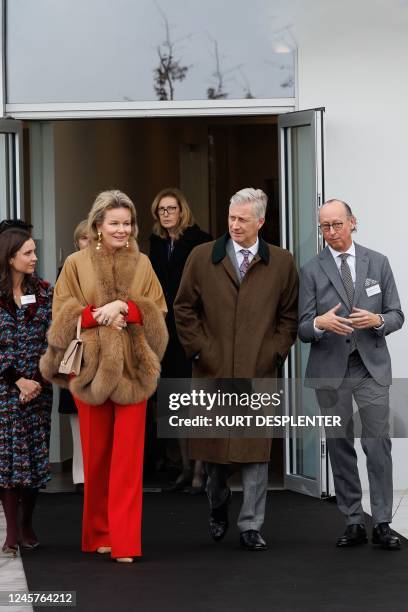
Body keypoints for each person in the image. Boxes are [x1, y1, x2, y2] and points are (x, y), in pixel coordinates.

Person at [40, 190, 168, 562]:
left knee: (128, 463)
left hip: (132, 373)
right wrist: (99, 314)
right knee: (95, 460)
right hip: (90, 373)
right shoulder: (76, 263)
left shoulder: (143, 262)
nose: (122, 229)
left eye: (127, 223)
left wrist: (125, 308)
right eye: (114, 223)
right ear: (98, 225)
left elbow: (158, 310)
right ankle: (98, 534)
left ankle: (125, 541)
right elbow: (62, 316)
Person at [173, 187, 298, 550]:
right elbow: (183, 309)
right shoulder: (201, 257)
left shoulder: (282, 262)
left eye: (243, 219)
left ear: (261, 221)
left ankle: (251, 526)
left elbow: (288, 317)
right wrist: (201, 350)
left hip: (258, 373)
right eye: (231, 218)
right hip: (212, 372)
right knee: (214, 457)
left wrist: (274, 352)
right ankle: (218, 505)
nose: (235, 225)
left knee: (256, 454)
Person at [298, 198, 404, 550]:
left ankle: (384, 522)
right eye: (324, 227)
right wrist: (318, 323)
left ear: (352, 222)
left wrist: (377, 321)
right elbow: (302, 327)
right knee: (340, 446)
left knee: (377, 446)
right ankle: (353, 520)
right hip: (330, 369)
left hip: (369, 367)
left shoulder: (378, 262)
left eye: (336, 225)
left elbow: (396, 315)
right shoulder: (311, 270)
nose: (330, 232)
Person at [149, 187, 212, 493]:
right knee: (174, 401)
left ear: (182, 210)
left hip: (193, 326)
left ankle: (201, 472)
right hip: (164, 331)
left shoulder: (200, 240)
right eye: (162, 210)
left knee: (197, 402)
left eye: (171, 208)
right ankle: (185, 469)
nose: (167, 214)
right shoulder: (156, 244)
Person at [0, 226, 53, 556]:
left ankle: (28, 524)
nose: (35, 258)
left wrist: (36, 380)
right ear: (10, 257)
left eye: (34, 252)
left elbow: (55, 337)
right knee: (8, 462)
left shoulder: (45, 292)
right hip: (4, 390)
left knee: (34, 458)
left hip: (39, 387)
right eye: (28, 253)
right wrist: (16, 380)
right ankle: (12, 532)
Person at [57, 220, 90, 492]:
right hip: (75, 352)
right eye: (83, 239)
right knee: (76, 418)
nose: (88, 244)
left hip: (103, 355)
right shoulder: (66, 272)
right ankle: (80, 476)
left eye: (93, 238)